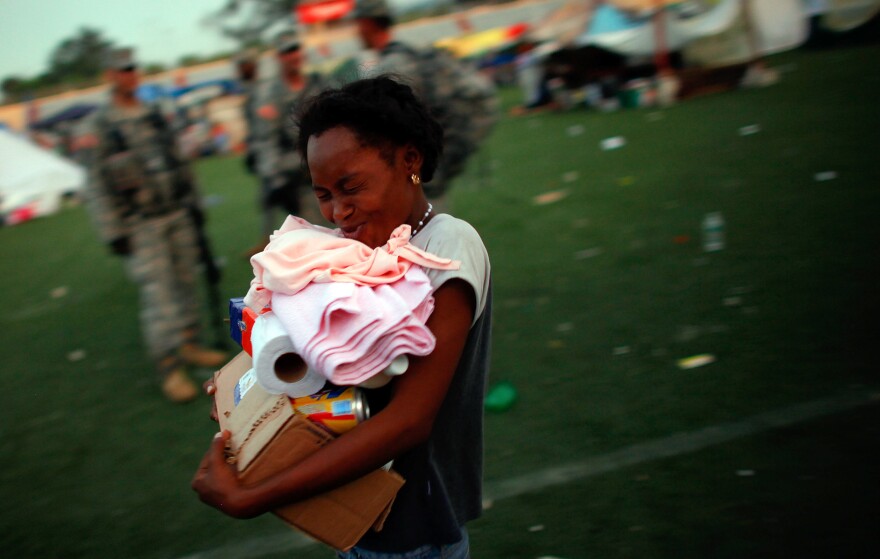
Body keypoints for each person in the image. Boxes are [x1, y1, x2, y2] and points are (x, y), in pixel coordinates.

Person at [193, 77, 492, 558]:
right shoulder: (354, 249)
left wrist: (251, 498)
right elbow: (324, 366)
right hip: (353, 514)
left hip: (413, 523)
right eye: (324, 193)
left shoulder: (447, 247)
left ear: (409, 160)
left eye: (351, 186)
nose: (338, 212)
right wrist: (245, 398)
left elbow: (407, 422)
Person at [75, 48, 227, 403]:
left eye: (133, 68)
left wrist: (195, 202)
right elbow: (95, 185)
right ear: (110, 76)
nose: (130, 74)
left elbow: (180, 162)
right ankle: (168, 364)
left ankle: (188, 344)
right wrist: (112, 232)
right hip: (140, 224)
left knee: (185, 281)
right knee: (159, 296)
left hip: (176, 213)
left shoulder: (154, 115)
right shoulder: (98, 127)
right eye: (122, 70)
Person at [352, 0, 498, 211]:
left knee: (420, 236)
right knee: (435, 230)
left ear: (367, 24)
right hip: (430, 168)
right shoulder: (415, 56)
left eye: (357, 24)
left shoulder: (392, 68)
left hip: (413, 176)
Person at [245, 28, 327, 256]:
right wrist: (278, 178)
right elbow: (266, 144)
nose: (293, 56)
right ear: (278, 57)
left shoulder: (319, 85)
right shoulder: (270, 95)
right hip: (300, 185)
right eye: (287, 52)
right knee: (318, 250)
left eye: (295, 49)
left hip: (334, 177)